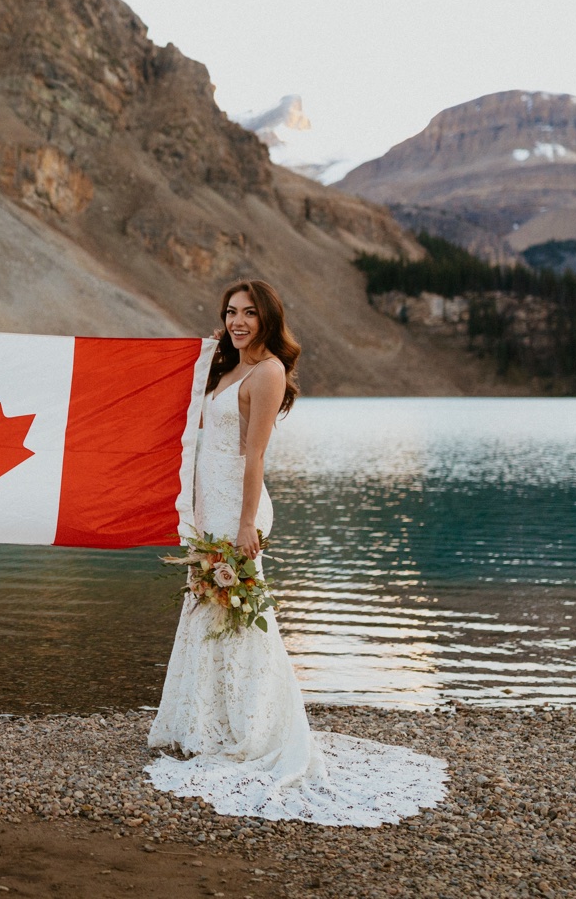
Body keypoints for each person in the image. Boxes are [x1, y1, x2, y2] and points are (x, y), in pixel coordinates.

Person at [146, 280, 447, 825]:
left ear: (268, 319)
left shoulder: (267, 373)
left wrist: (244, 525)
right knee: (206, 609)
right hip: (206, 506)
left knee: (239, 616)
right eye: (231, 313)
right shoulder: (227, 368)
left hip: (234, 507)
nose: (239, 322)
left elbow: (255, 456)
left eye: (249, 314)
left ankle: (254, 730)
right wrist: (204, 354)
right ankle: (205, 724)